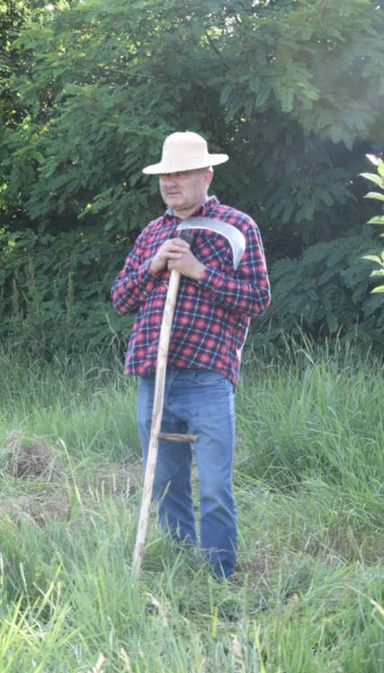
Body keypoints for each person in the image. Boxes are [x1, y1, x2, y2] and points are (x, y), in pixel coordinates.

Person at [111, 131, 270, 579]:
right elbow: (121, 299)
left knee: (216, 486)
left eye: (181, 173)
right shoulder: (153, 233)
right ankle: (183, 571)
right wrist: (155, 265)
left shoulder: (237, 228)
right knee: (164, 484)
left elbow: (257, 299)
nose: (171, 182)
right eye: (166, 174)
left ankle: (220, 576)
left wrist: (200, 272)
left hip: (208, 377)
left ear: (207, 175)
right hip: (155, 375)